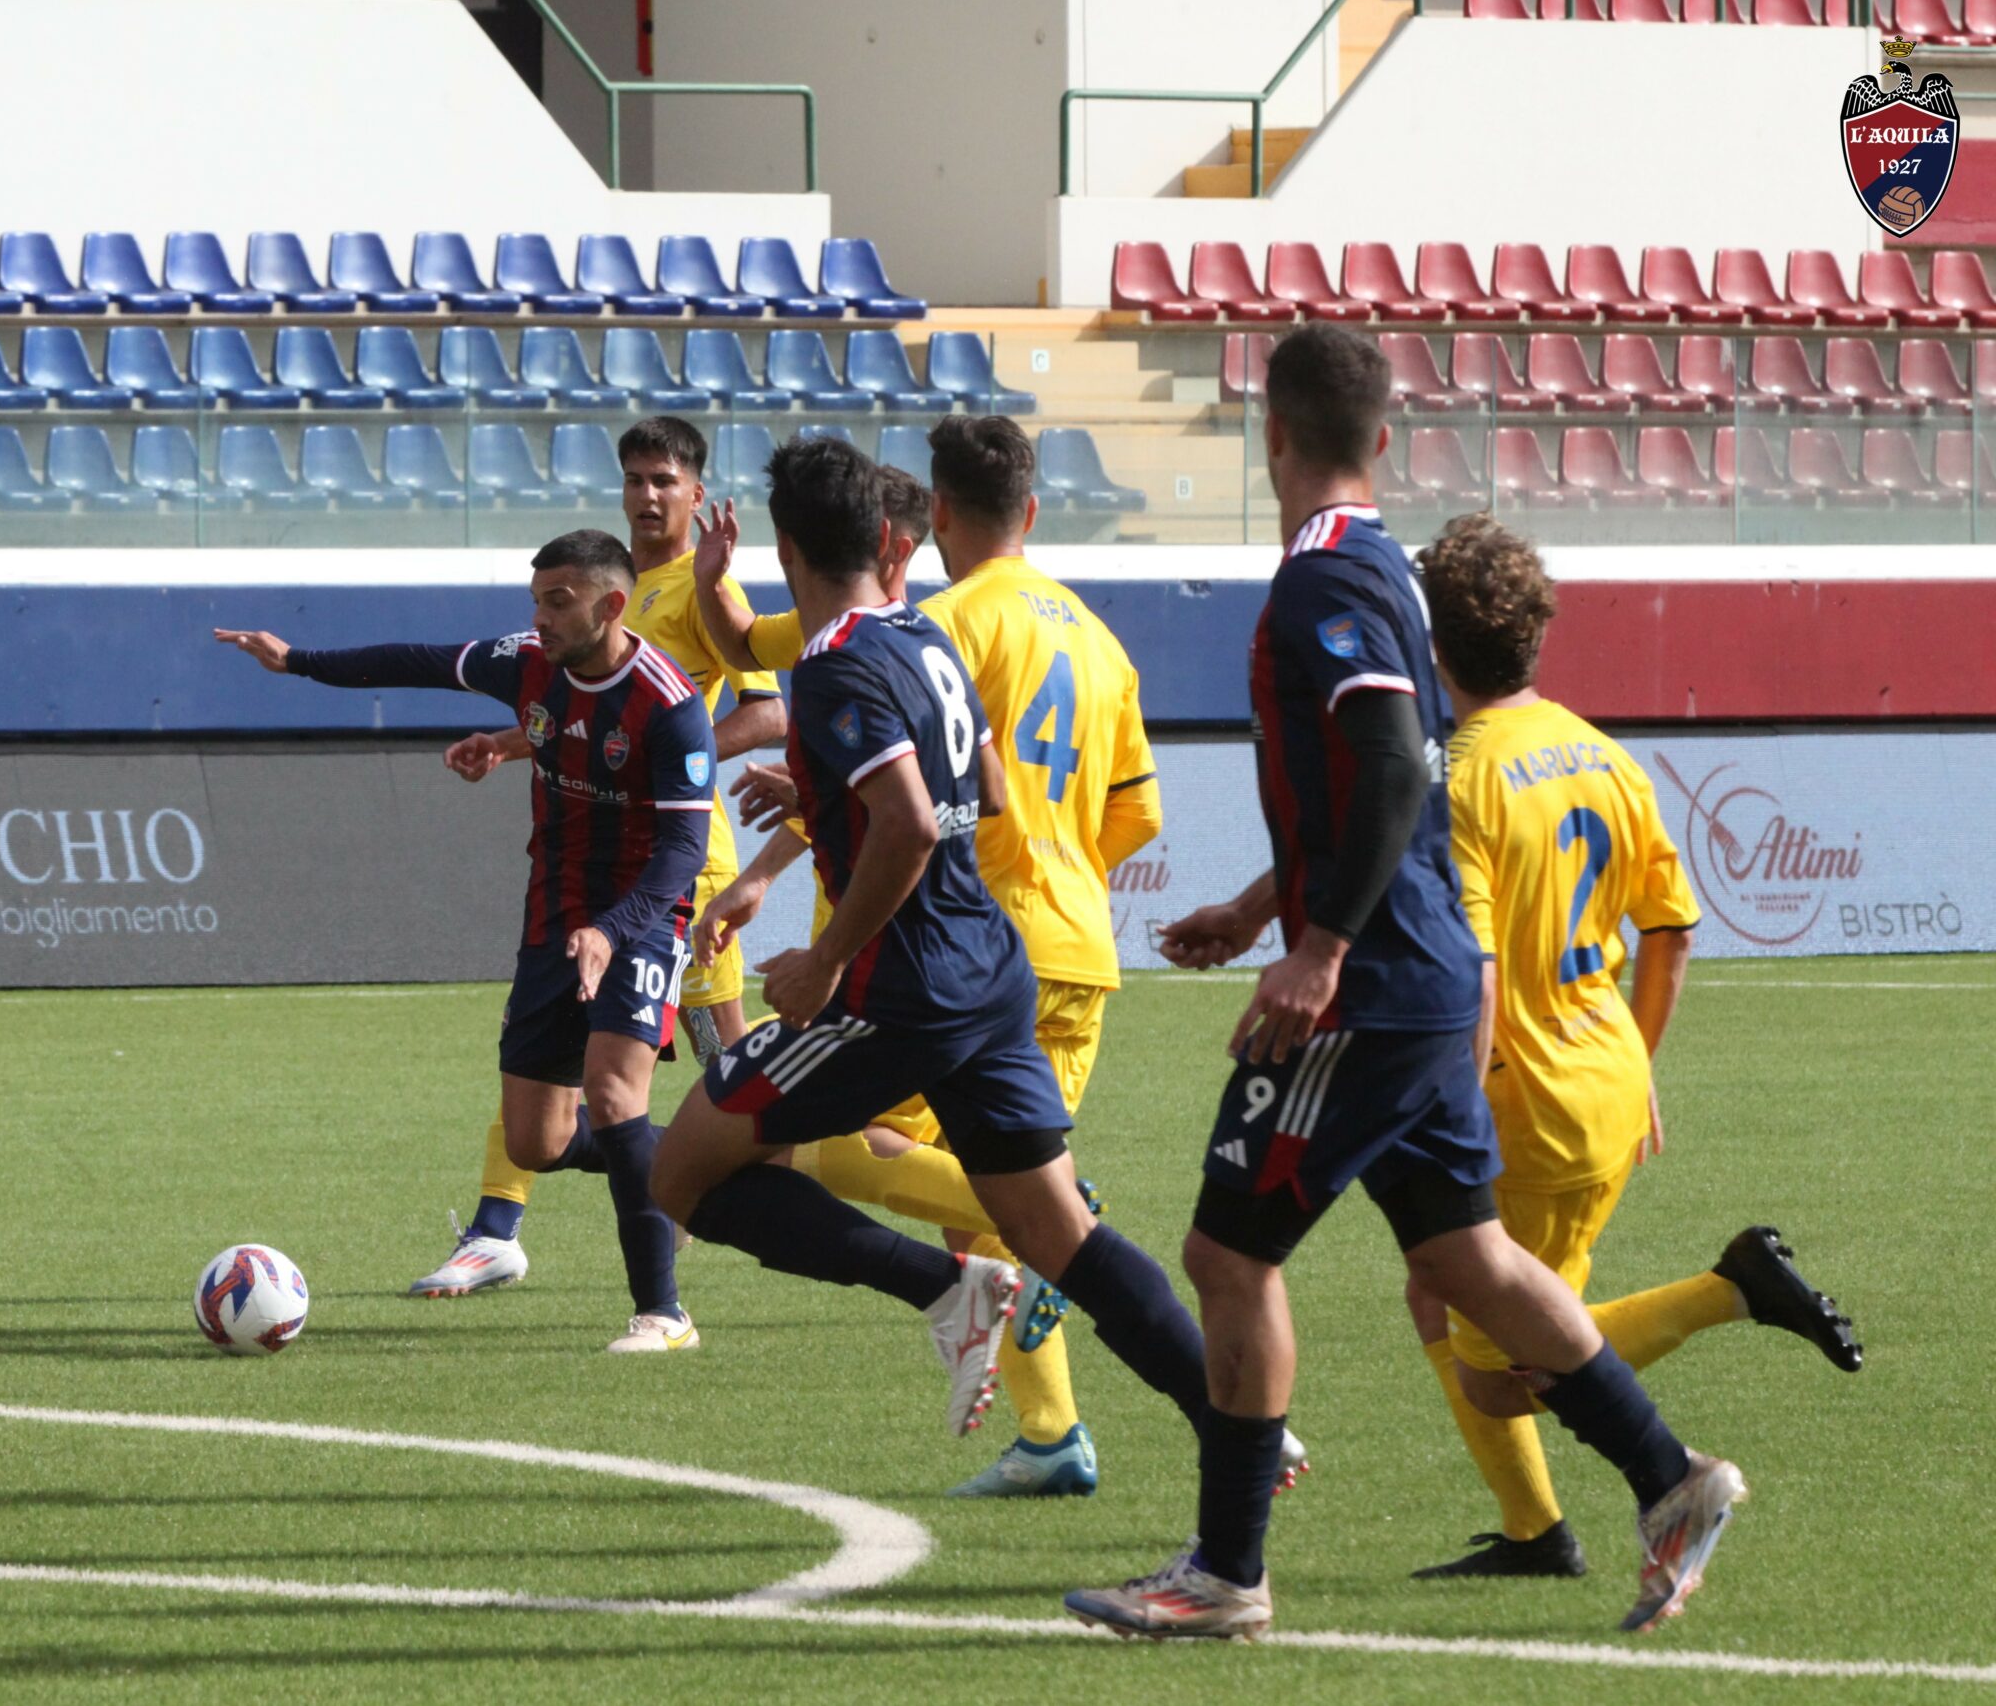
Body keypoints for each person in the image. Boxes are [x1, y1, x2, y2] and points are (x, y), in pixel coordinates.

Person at [1069, 324, 1744, 1641]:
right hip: (1423, 972)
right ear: (1382, 440)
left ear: (1270, 435)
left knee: (1226, 1253)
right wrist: (1260, 906)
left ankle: (1226, 1571)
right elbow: (1390, 778)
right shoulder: (1384, 567)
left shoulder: (1324, 578)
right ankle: (1670, 1479)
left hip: (1369, 984)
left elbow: (1387, 764)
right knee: (1467, 1255)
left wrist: (1317, 945)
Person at [649, 436, 1221, 1502]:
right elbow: (988, 789)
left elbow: (910, 821)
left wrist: (823, 958)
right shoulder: (927, 632)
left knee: (681, 1172)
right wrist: (837, 798)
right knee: (1060, 1232)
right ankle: (1235, 1424)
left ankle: (947, 1291)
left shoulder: (838, 662)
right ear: (889, 541)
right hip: (997, 966)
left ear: (787, 548)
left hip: (901, 989)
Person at [1405, 513, 1860, 1580]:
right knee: (1444, 1288)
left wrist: (1452, 1113)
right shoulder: (1601, 754)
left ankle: (1730, 1292)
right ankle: (1533, 1533)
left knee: (1504, 1366)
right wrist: (1639, 1062)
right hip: (1607, 1073)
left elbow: (1475, 970)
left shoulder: (1460, 780)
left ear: (1433, 648)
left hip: (1524, 1103)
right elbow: (1673, 928)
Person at [214, 528, 717, 1355]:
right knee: (536, 1142)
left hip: (640, 916)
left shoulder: (669, 704)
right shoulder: (527, 662)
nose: (540, 618)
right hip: (553, 915)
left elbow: (682, 853)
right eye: (536, 599)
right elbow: (413, 659)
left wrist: (613, 929)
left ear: (611, 605)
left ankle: (664, 1314)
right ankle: (688, 1163)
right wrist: (296, 660)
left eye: (558, 601)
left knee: (614, 1091)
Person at [411, 418, 785, 1302]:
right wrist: (516, 742)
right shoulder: (607, 582)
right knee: (557, 1051)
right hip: (602, 859)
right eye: (634, 479)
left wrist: (670, 755)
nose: (647, 496)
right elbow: (587, 715)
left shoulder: (704, 586)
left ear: (697, 494)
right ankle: (499, 1225)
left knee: (731, 1076)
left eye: (665, 480)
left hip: (677, 868)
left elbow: (768, 712)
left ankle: (771, 1194)